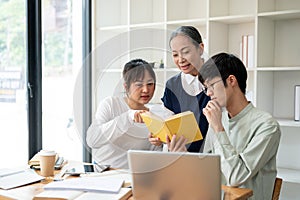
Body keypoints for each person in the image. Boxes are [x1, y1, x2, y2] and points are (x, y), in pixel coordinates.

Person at [167, 52, 281, 200]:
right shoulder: (220, 120)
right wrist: (183, 155)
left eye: (212, 85)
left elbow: (236, 177)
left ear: (231, 80)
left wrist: (219, 129)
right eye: (206, 88)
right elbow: (208, 170)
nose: (208, 93)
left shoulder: (267, 126)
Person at [86, 58, 173, 169]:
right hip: (104, 174)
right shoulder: (111, 104)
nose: (146, 90)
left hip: (134, 178)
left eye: (150, 84)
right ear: (126, 86)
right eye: (139, 84)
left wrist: (161, 144)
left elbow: (156, 158)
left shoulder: (156, 115)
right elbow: (93, 140)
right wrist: (128, 117)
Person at [160, 26, 210, 152]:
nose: (180, 60)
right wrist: (162, 138)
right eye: (175, 54)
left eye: (186, 52)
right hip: (181, 157)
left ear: (200, 49)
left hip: (212, 157)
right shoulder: (172, 85)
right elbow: (169, 127)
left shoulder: (216, 79)